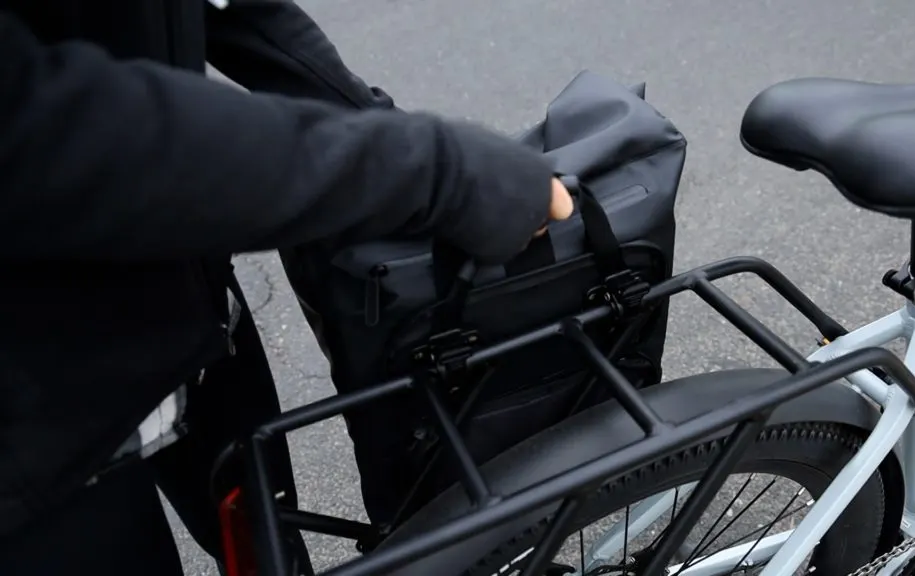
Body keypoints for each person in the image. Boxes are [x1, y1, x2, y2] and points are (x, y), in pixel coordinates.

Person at [0, 1, 574, 575]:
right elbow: (49, 130)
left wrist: (404, 142)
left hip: (185, 311)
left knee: (265, 548)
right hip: (35, 420)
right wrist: (434, 172)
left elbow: (236, 14)